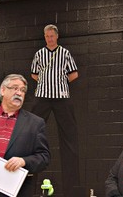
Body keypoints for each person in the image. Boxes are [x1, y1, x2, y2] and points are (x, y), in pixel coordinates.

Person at [30, 24, 81, 196]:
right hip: (42, 96)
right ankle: (28, 173)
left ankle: (71, 186)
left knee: (69, 135)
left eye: (52, 36)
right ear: (44, 37)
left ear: (56, 36)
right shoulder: (39, 54)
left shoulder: (65, 53)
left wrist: (59, 83)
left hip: (62, 97)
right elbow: (34, 74)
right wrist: (46, 84)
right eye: (47, 36)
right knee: (32, 131)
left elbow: (74, 74)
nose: (49, 38)